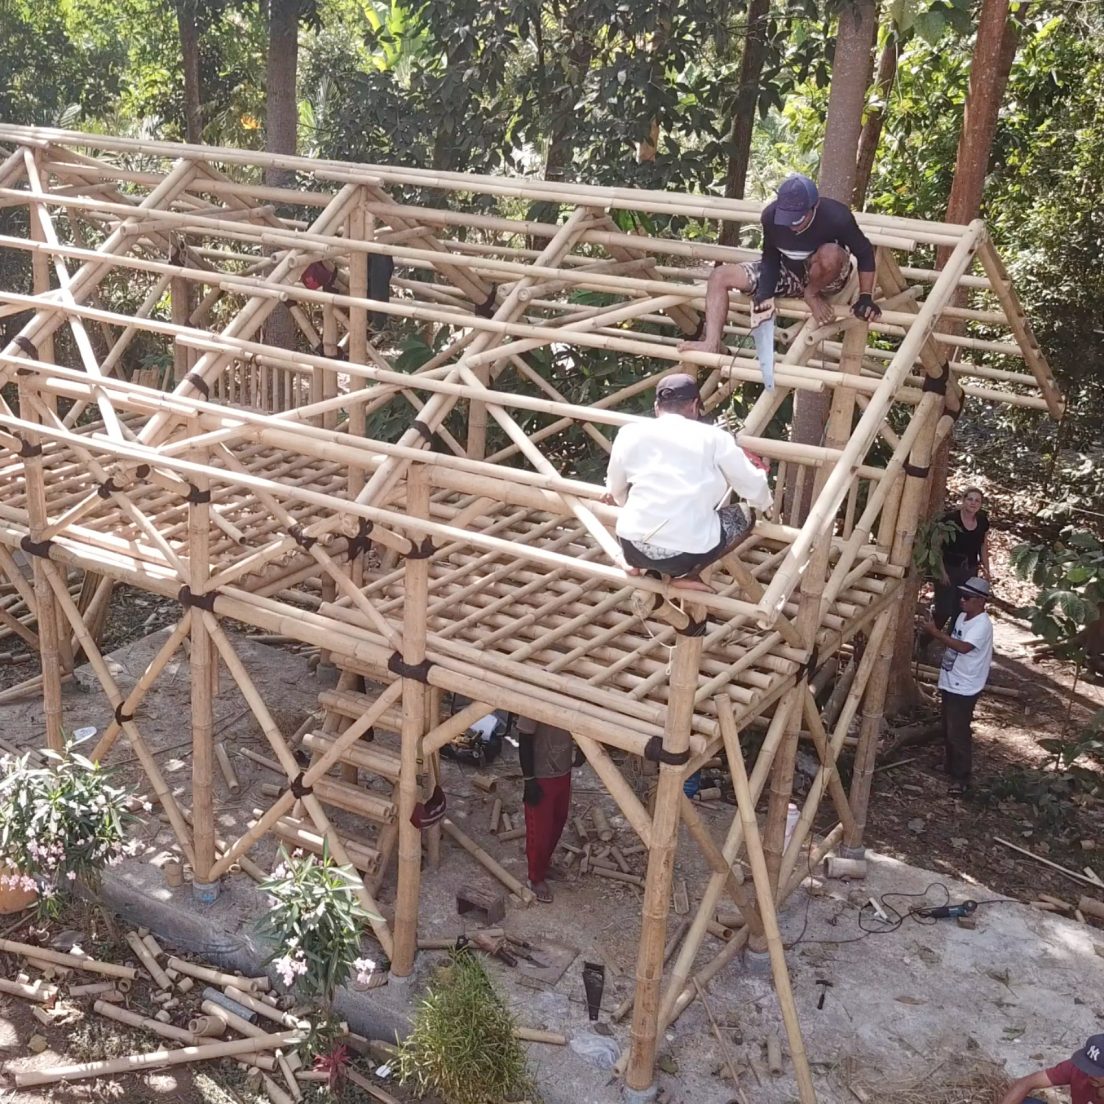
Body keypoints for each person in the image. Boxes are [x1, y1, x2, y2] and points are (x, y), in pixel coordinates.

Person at [679, 172, 881, 356]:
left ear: (814, 206)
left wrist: (865, 297)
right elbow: (771, 256)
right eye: (788, 219)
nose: (793, 226)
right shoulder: (770, 216)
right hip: (789, 272)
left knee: (831, 253)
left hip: (828, 277)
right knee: (719, 275)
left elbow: (864, 253)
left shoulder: (837, 217)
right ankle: (711, 342)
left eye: (798, 219)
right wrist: (764, 294)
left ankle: (811, 293)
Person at [604, 373, 772, 593]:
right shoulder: (715, 438)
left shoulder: (629, 433)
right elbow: (753, 487)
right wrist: (765, 502)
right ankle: (686, 575)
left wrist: (623, 500)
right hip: (683, 555)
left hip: (631, 544)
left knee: (635, 515)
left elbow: (616, 489)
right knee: (745, 515)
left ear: (657, 407)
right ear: (694, 406)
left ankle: (634, 564)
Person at [917, 576, 994, 795]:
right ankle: (950, 765)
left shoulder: (982, 625)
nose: (962, 600)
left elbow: (963, 647)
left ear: (980, 601)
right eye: (962, 595)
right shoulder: (962, 616)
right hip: (952, 679)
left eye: (967, 597)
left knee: (958, 731)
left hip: (966, 685)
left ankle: (962, 777)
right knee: (947, 726)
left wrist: (934, 633)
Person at [517, 715, 576, 904]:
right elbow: (524, 739)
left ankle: (544, 864)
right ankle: (535, 877)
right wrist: (529, 780)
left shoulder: (573, 695)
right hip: (542, 774)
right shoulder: (535, 697)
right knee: (540, 830)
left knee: (559, 819)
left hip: (563, 770)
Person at [932, 486, 992, 629]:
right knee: (944, 609)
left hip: (969, 570)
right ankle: (925, 640)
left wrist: (987, 570)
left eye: (977, 500)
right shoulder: (950, 519)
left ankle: (952, 644)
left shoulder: (982, 521)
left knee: (962, 609)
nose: (973, 503)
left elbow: (983, 546)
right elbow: (936, 546)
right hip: (949, 568)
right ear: (963, 500)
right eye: (970, 499)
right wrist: (941, 571)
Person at [998, 1034, 1104, 1103]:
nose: (1090, 1075)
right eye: (1087, 1066)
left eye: (1098, 1071)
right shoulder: (1076, 1068)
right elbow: (1025, 1083)